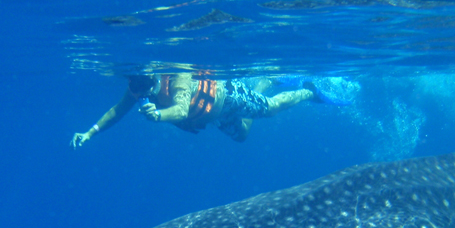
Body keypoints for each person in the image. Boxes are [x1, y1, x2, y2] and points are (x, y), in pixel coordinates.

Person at [70, 73, 320, 148]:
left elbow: (179, 111)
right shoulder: (136, 88)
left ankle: (309, 91)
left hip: (230, 98)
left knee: (271, 109)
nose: (143, 93)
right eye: (136, 86)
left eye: (146, 85)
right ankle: (264, 82)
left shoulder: (175, 77)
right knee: (242, 136)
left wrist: (158, 115)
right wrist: (90, 133)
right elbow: (117, 111)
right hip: (215, 114)